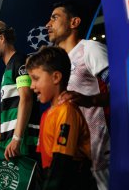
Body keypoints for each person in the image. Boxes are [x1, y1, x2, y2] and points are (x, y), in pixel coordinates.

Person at [46, 0, 110, 190]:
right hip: (77, 159)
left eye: (54, 18)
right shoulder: (58, 64)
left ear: (74, 22)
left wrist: (90, 100)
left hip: (102, 156)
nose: (48, 24)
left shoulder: (89, 49)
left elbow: (124, 90)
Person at [26, 46, 97, 189]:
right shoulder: (46, 115)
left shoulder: (66, 111)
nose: (32, 86)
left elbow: (62, 164)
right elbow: (42, 164)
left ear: (56, 77)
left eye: (36, 79)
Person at [0, 20, 40, 161]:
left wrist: (17, 138)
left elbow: (27, 98)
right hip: (15, 142)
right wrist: (2, 140)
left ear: (1, 38)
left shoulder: (19, 62)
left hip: (23, 142)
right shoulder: (10, 66)